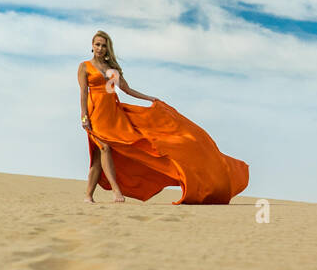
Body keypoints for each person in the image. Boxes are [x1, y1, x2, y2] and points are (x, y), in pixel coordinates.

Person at [78, 30, 249, 204]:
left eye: (103, 45)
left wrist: (150, 98)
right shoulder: (84, 66)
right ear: (92, 46)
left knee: (100, 157)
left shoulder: (111, 69)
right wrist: (84, 116)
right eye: (97, 44)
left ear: (108, 49)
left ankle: (88, 196)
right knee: (105, 148)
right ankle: (116, 191)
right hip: (95, 113)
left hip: (113, 113)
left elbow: (126, 90)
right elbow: (84, 92)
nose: (100, 48)